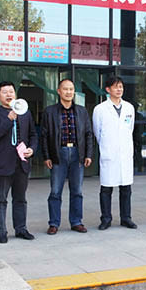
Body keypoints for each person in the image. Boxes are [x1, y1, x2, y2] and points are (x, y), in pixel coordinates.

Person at [0, 81, 38, 243]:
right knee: (0, 199)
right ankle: (0, 232)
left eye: (11, 91)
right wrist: (9, 119)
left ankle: (21, 229)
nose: (9, 95)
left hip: (22, 163)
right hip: (3, 164)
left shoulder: (25, 113)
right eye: (5, 92)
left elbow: (33, 135)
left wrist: (32, 149)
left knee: (20, 199)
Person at [41, 78, 93, 235]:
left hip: (77, 154)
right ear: (59, 91)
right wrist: (46, 156)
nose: (68, 92)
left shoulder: (82, 111)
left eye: (71, 89)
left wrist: (88, 154)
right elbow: (44, 136)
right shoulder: (50, 111)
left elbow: (88, 134)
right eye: (65, 89)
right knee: (55, 191)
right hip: (58, 154)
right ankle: (54, 223)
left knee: (77, 191)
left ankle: (76, 222)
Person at [92, 76, 138, 230]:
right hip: (109, 154)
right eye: (116, 87)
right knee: (106, 189)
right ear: (108, 89)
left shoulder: (129, 108)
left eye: (121, 87)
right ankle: (106, 218)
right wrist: (107, 147)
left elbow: (130, 129)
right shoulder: (100, 109)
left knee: (126, 189)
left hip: (125, 153)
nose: (119, 90)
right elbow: (97, 132)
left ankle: (126, 218)